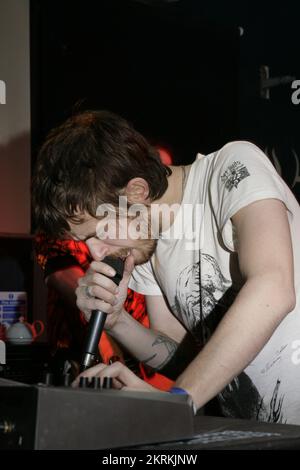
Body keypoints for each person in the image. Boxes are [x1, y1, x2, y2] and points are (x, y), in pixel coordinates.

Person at [32, 110, 300, 424]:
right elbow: (188, 359)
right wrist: (117, 321)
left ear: (136, 192)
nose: (96, 252)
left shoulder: (232, 167)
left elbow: (274, 287)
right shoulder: (144, 243)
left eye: (97, 233)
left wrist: (177, 402)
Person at [35, 233, 173, 390]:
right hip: (85, 356)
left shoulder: (148, 242)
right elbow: (79, 290)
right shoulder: (63, 233)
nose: (96, 251)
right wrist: (110, 351)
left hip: (143, 357)